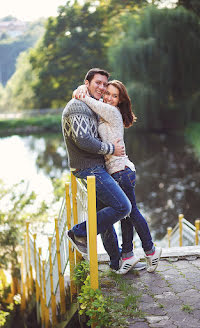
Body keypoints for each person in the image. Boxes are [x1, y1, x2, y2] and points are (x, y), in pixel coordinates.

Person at [73, 79, 162, 273]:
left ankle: (151, 250)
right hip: (116, 172)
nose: (110, 98)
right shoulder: (103, 113)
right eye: (108, 94)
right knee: (126, 215)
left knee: (132, 212)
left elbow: (90, 101)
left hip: (122, 171)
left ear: (120, 100)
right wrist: (83, 88)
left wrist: (82, 91)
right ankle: (128, 254)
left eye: (115, 96)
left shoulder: (112, 112)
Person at [62, 68, 140, 273]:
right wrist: (111, 149)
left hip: (96, 167)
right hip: (90, 168)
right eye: (97, 83)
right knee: (123, 207)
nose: (102, 87)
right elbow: (83, 140)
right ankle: (79, 232)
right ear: (86, 83)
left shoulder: (88, 104)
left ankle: (116, 263)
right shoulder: (76, 106)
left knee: (104, 216)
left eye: (105, 84)